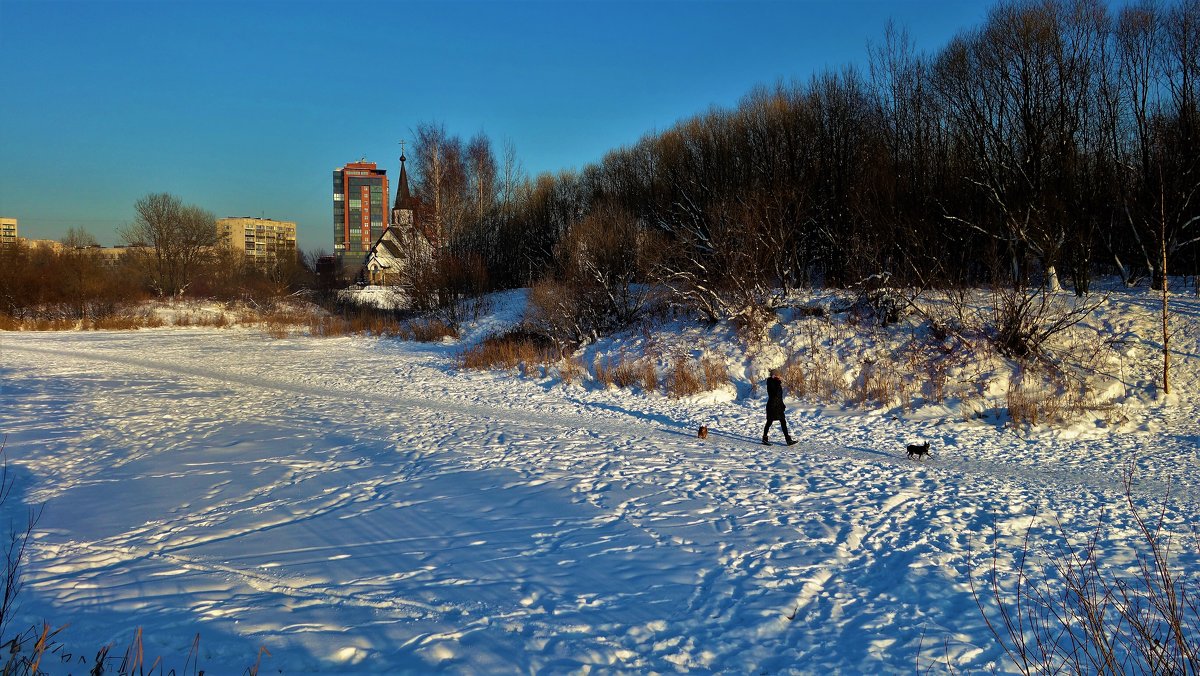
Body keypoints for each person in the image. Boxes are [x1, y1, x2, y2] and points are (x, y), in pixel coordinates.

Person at [763, 369, 796, 446]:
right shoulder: (770, 382)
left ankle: (788, 440)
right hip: (772, 406)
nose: (779, 376)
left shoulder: (777, 383)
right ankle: (764, 438)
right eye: (778, 375)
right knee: (769, 422)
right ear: (774, 375)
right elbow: (774, 393)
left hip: (778, 406)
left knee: (783, 422)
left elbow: (779, 396)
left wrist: (782, 404)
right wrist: (777, 382)